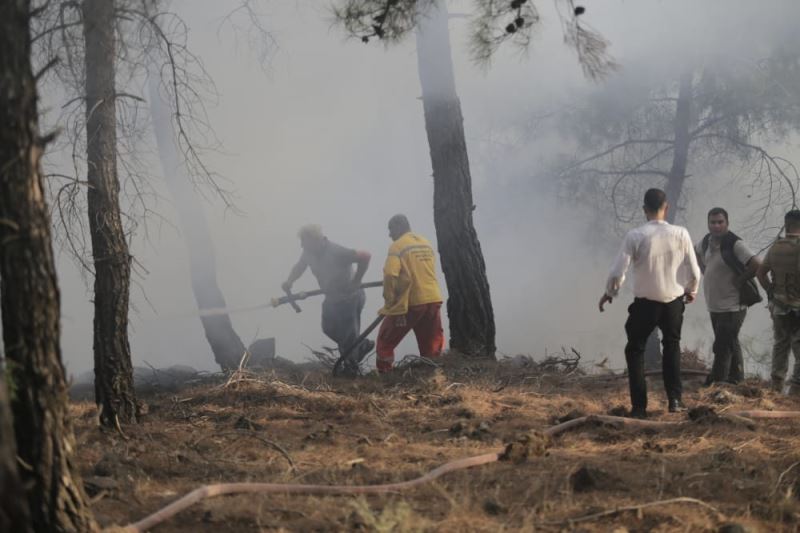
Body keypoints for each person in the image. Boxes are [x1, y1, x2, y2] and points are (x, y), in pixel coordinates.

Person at [599, 188, 701, 418]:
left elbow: (617, 272)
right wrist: (691, 290)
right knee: (672, 346)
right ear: (666, 208)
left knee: (635, 349)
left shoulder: (636, 235)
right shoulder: (681, 234)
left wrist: (610, 293)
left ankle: (639, 407)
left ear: (645, 209)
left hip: (645, 304)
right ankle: (675, 400)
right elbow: (695, 271)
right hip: (673, 302)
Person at [282, 224, 373, 370]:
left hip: (350, 298)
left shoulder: (335, 251)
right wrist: (289, 281)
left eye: (303, 242)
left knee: (349, 335)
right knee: (328, 328)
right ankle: (360, 345)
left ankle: (351, 370)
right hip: (332, 298)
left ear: (314, 240)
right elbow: (299, 267)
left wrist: (356, 281)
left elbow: (365, 256)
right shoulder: (308, 253)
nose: (301, 246)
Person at [695, 207, 761, 385]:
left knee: (722, 345)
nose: (716, 226)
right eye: (713, 222)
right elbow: (695, 252)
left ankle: (716, 382)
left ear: (727, 223)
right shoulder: (705, 242)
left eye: (720, 222)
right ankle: (737, 379)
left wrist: (740, 280)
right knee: (730, 341)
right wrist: (704, 270)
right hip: (714, 304)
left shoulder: (735, 244)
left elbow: (757, 264)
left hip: (733, 305)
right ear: (708, 224)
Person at [376, 214, 444, 373]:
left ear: (399, 227)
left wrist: (389, 302)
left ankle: (385, 377)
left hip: (411, 303)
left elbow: (390, 274)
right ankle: (432, 375)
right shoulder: (425, 242)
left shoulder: (397, 246)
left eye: (390, 230)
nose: (389, 234)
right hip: (433, 299)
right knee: (431, 344)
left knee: (385, 341)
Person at [757, 209, 800, 396]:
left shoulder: (776, 247)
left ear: (786, 224)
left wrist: (771, 293)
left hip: (779, 306)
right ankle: (796, 391)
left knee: (780, 345)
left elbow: (760, 273)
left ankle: (776, 388)